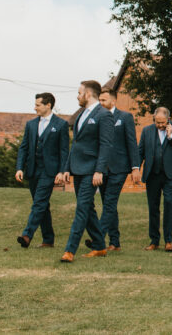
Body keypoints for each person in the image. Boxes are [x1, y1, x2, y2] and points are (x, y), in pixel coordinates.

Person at [61, 80, 113, 263]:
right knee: (88, 208)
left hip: (92, 170)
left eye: (79, 92)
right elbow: (75, 144)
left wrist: (99, 170)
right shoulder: (82, 115)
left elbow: (106, 145)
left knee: (82, 208)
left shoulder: (104, 115)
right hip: (77, 168)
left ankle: (70, 250)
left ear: (88, 94)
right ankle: (99, 246)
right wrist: (67, 168)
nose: (77, 96)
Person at [14, 92, 70, 249]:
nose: (35, 108)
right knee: (42, 205)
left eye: (38, 105)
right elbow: (23, 148)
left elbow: (64, 150)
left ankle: (27, 235)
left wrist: (61, 171)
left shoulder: (61, 124)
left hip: (50, 171)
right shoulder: (31, 125)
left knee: (39, 203)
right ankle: (48, 240)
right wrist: (19, 168)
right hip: (33, 170)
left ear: (48, 105)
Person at [87, 88, 140, 252]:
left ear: (113, 101)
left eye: (104, 100)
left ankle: (98, 239)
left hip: (120, 168)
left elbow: (132, 142)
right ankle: (115, 242)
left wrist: (135, 167)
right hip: (102, 169)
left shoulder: (125, 117)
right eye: (99, 100)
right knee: (109, 204)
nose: (101, 103)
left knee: (109, 203)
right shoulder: (97, 118)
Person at [138, 107, 172, 251]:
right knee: (153, 207)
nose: (160, 125)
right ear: (154, 119)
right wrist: (136, 168)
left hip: (170, 174)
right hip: (152, 174)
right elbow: (140, 150)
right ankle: (154, 240)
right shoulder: (147, 131)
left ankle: (168, 240)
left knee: (168, 202)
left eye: (162, 123)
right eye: (157, 122)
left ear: (169, 119)